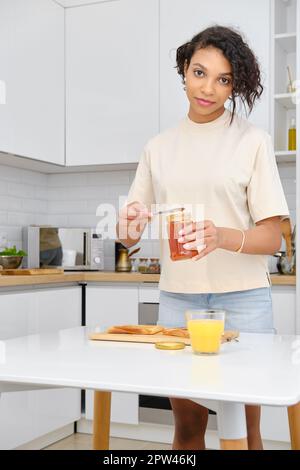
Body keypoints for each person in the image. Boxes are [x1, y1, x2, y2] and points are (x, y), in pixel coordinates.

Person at [116, 25, 289, 450]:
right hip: (179, 300)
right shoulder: (158, 147)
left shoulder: (252, 141)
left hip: (244, 299)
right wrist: (129, 229)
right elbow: (128, 234)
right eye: (199, 72)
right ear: (184, 71)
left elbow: (275, 239)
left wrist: (221, 237)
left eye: (223, 79)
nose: (208, 88)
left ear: (235, 85)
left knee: (244, 435)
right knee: (187, 431)